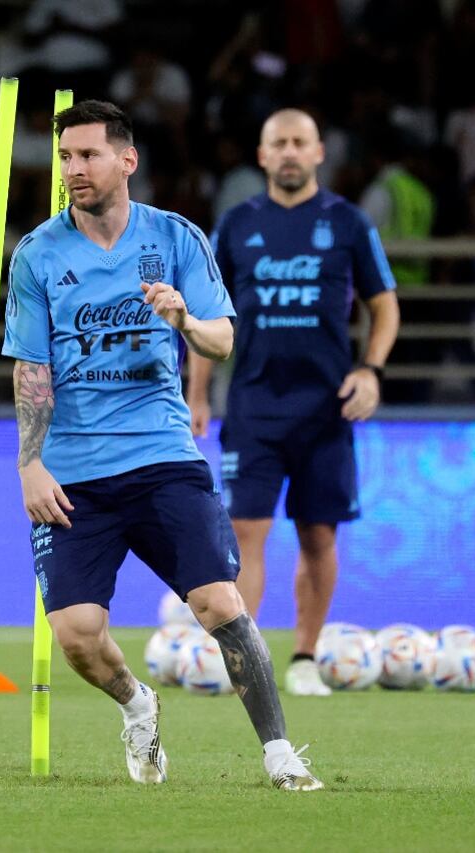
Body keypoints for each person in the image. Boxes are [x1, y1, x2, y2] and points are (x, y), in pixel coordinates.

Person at [3, 99, 321, 791]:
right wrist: (29, 464)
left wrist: (183, 319)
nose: (74, 169)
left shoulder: (176, 236)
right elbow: (32, 368)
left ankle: (280, 754)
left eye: (88, 155)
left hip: (162, 457)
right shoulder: (37, 253)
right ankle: (137, 704)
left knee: (220, 605)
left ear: (127, 160)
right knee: (77, 636)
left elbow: (223, 339)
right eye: (65, 156)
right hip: (75, 474)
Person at [187, 109, 400, 696]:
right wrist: (196, 394)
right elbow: (208, 314)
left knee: (318, 535)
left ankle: (305, 657)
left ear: (318, 152)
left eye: (298, 142)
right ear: (262, 156)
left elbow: (384, 304)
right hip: (253, 406)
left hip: (326, 408)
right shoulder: (236, 225)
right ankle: (243, 662)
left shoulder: (348, 222)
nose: (288, 151)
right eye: (277, 142)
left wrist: (371, 370)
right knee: (244, 532)